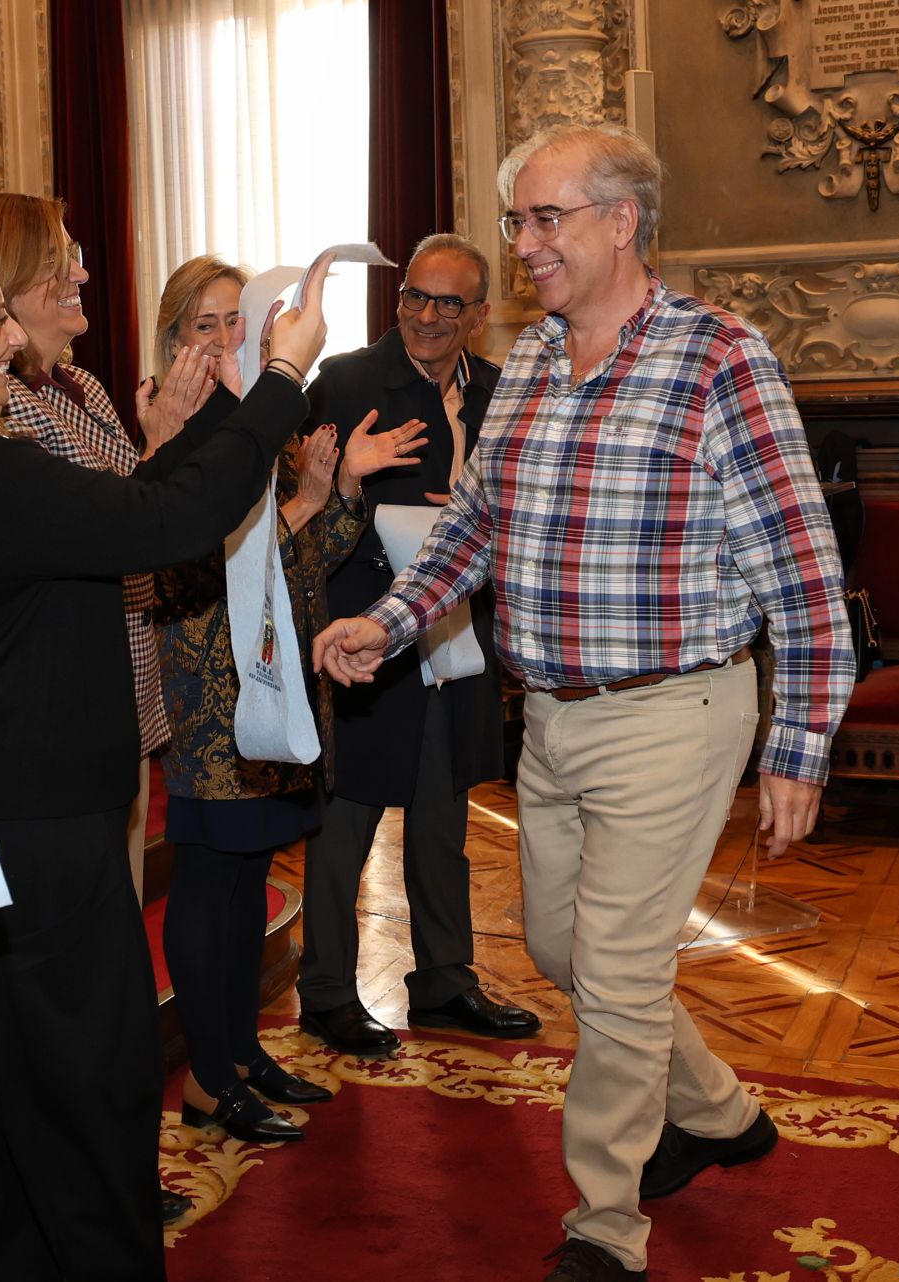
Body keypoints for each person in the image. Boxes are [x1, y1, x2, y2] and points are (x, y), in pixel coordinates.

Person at [313, 123, 852, 1282]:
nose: (524, 246)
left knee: (611, 963)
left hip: (677, 709)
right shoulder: (534, 364)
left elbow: (803, 568)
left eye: (545, 219)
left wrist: (800, 745)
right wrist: (390, 621)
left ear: (623, 220)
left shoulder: (720, 358)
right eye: (517, 221)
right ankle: (717, 1107)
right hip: (549, 716)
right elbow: (470, 529)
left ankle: (606, 1224)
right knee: (566, 951)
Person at [0, 236, 330, 1281]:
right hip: (38, 843)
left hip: (11, 826)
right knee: (94, 1103)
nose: (12, 339)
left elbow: (118, 525)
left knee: (17, 1093)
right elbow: (171, 521)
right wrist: (283, 378)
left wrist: (178, 443)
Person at [150, 255, 424, 1143]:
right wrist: (292, 502)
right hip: (211, 686)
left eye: (238, 321)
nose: (227, 339)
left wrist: (329, 494)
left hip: (276, 682)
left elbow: (305, 561)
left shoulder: (266, 423)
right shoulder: (177, 419)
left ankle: (239, 1056)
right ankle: (208, 1074)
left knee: (249, 883)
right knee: (210, 881)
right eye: (206, 324)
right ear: (173, 339)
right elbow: (179, 557)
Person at [295, 234, 541, 1055]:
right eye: (414, 299)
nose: (427, 318)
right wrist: (358, 491)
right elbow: (304, 516)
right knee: (347, 823)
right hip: (365, 635)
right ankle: (327, 990)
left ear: (478, 314)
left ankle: (443, 982)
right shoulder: (349, 383)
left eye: (448, 304)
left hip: (457, 634)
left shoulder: (501, 393)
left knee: (442, 821)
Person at [0, 194, 215, 915]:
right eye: (61, 264)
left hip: (127, 675)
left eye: (77, 260)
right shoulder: (3, 411)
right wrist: (162, 445)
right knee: (83, 913)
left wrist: (161, 445)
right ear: (5, 282)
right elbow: (120, 522)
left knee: (118, 894)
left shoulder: (82, 386)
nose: (81, 277)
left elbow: (132, 507)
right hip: (68, 697)